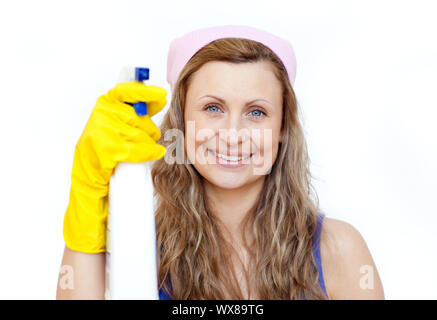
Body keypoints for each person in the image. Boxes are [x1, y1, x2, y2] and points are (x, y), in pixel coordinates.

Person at [56, 25, 384, 300]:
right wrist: (88, 195)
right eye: (213, 108)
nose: (232, 134)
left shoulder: (337, 250)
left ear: (282, 127)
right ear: (181, 121)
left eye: (256, 112)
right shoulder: (135, 249)